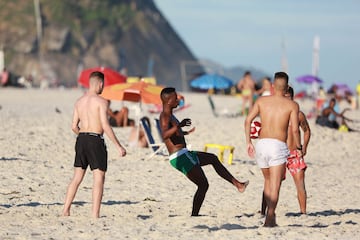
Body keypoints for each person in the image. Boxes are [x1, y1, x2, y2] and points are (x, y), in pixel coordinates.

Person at [159, 87, 249, 216]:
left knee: (212, 158)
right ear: (168, 101)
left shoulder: (170, 115)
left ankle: (238, 184)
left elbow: (172, 134)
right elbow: (164, 135)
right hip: (180, 156)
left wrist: (183, 132)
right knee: (203, 184)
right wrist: (179, 126)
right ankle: (194, 215)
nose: (178, 100)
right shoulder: (165, 116)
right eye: (175, 98)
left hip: (184, 154)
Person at [62, 71, 127, 218]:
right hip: (95, 139)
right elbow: (105, 125)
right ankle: (94, 214)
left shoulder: (79, 101)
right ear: (101, 84)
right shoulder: (102, 102)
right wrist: (118, 146)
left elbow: (73, 126)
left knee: (77, 177)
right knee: (98, 178)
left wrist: (83, 136)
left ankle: (65, 210)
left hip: (81, 139)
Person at [244, 72, 302, 227]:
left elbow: (248, 120)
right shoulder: (292, 105)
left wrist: (248, 142)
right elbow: (295, 130)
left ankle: (268, 214)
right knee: (275, 184)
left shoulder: (262, 101)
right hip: (277, 145)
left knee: (267, 181)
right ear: (287, 87)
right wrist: (299, 146)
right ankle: (270, 216)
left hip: (261, 144)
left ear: (272, 86)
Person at [285, 86, 311, 214]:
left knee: (300, 183)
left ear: (292, 97)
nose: (285, 99)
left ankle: (303, 212)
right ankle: (264, 211)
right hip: (279, 152)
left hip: (295, 153)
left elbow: (306, 131)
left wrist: (304, 147)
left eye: (288, 96)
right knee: (271, 183)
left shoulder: (299, 115)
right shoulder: (277, 113)